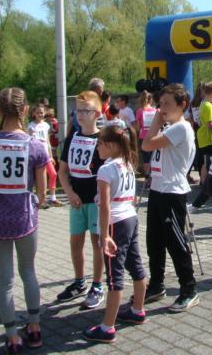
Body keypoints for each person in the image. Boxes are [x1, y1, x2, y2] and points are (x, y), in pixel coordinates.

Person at [0, 87, 48, 353]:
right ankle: (35, 327)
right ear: (25, 109)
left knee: (4, 280)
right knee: (28, 272)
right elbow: (42, 193)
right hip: (25, 217)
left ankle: (12, 336)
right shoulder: (35, 145)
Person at [82, 123, 147, 343]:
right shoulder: (128, 161)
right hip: (130, 218)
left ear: (110, 145)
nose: (97, 148)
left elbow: (105, 206)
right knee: (136, 265)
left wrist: (104, 235)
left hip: (115, 223)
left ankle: (107, 327)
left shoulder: (106, 169)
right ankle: (137, 310)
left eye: (100, 144)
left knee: (114, 275)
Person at [141, 83, 199, 312]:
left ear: (182, 105)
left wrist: (155, 122)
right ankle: (156, 284)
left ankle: (189, 289)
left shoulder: (181, 128)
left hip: (172, 192)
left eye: (167, 103)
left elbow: (146, 144)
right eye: (160, 103)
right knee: (154, 241)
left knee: (175, 242)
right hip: (158, 189)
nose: (161, 108)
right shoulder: (170, 127)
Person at [56, 91, 106, 309]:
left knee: (97, 243)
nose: (80, 115)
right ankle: (79, 282)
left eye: (86, 110)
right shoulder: (72, 138)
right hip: (77, 200)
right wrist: (69, 192)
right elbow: (62, 171)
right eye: (78, 110)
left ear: (97, 114)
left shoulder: (103, 140)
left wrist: (102, 196)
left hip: (96, 201)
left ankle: (97, 284)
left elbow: (109, 172)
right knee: (75, 242)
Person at [28, 103, 62, 207]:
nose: (40, 114)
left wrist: (51, 156)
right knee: (38, 178)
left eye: (42, 112)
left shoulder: (46, 125)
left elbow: (47, 142)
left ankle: (53, 198)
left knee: (53, 174)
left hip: (46, 155)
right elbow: (30, 142)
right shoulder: (31, 126)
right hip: (36, 156)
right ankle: (39, 200)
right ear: (34, 113)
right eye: (38, 113)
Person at [196, 82, 212, 184]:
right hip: (207, 137)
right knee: (207, 162)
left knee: (205, 162)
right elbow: (209, 124)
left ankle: (203, 182)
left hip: (203, 136)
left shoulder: (203, 103)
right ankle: (206, 184)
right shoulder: (208, 106)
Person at [134, 90, 158, 185]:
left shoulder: (139, 111)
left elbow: (137, 127)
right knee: (153, 157)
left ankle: (147, 178)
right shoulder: (155, 111)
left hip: (143, 136)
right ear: (150, 100)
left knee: (146, 159)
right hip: (153, 136)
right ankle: (153, 177)